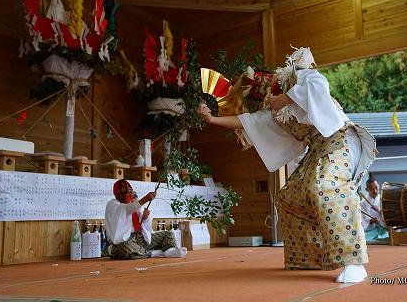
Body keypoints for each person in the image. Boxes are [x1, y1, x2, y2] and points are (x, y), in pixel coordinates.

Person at [198, 47, 377, 283]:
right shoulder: (273, 112)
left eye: (260, 81)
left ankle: (353, 262)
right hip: (317, 148)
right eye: (254, 89)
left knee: (324, 186)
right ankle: (310, 259)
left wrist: (284, 97)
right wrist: (211, 119)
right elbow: (244, 122)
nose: (259, 87)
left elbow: (318, 85)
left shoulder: (297, 76)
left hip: (340, 138)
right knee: (289, 197)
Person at [105, 179, 187, 259]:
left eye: (129, 191)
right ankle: (154, 253)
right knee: (124, 248)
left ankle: (169, 251)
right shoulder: (113, 204)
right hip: (124, 241)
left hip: (139, 238)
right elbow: (127, 209)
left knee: (168, 234)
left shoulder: (133, 202)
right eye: (124, 191)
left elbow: (143, 222)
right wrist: (145, 199)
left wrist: (145, 218)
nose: (128, 195)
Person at [360, 179, 389, 243]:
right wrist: (371, 221)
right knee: (361, 240)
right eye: (372, 189)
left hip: (384, 230)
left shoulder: (384, 199)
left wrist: (378, 210)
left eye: (376, 188)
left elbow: (388, 214)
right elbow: (363, 218)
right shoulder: (362, 203)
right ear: (367, 189)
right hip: (371, 231)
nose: (375, 191)